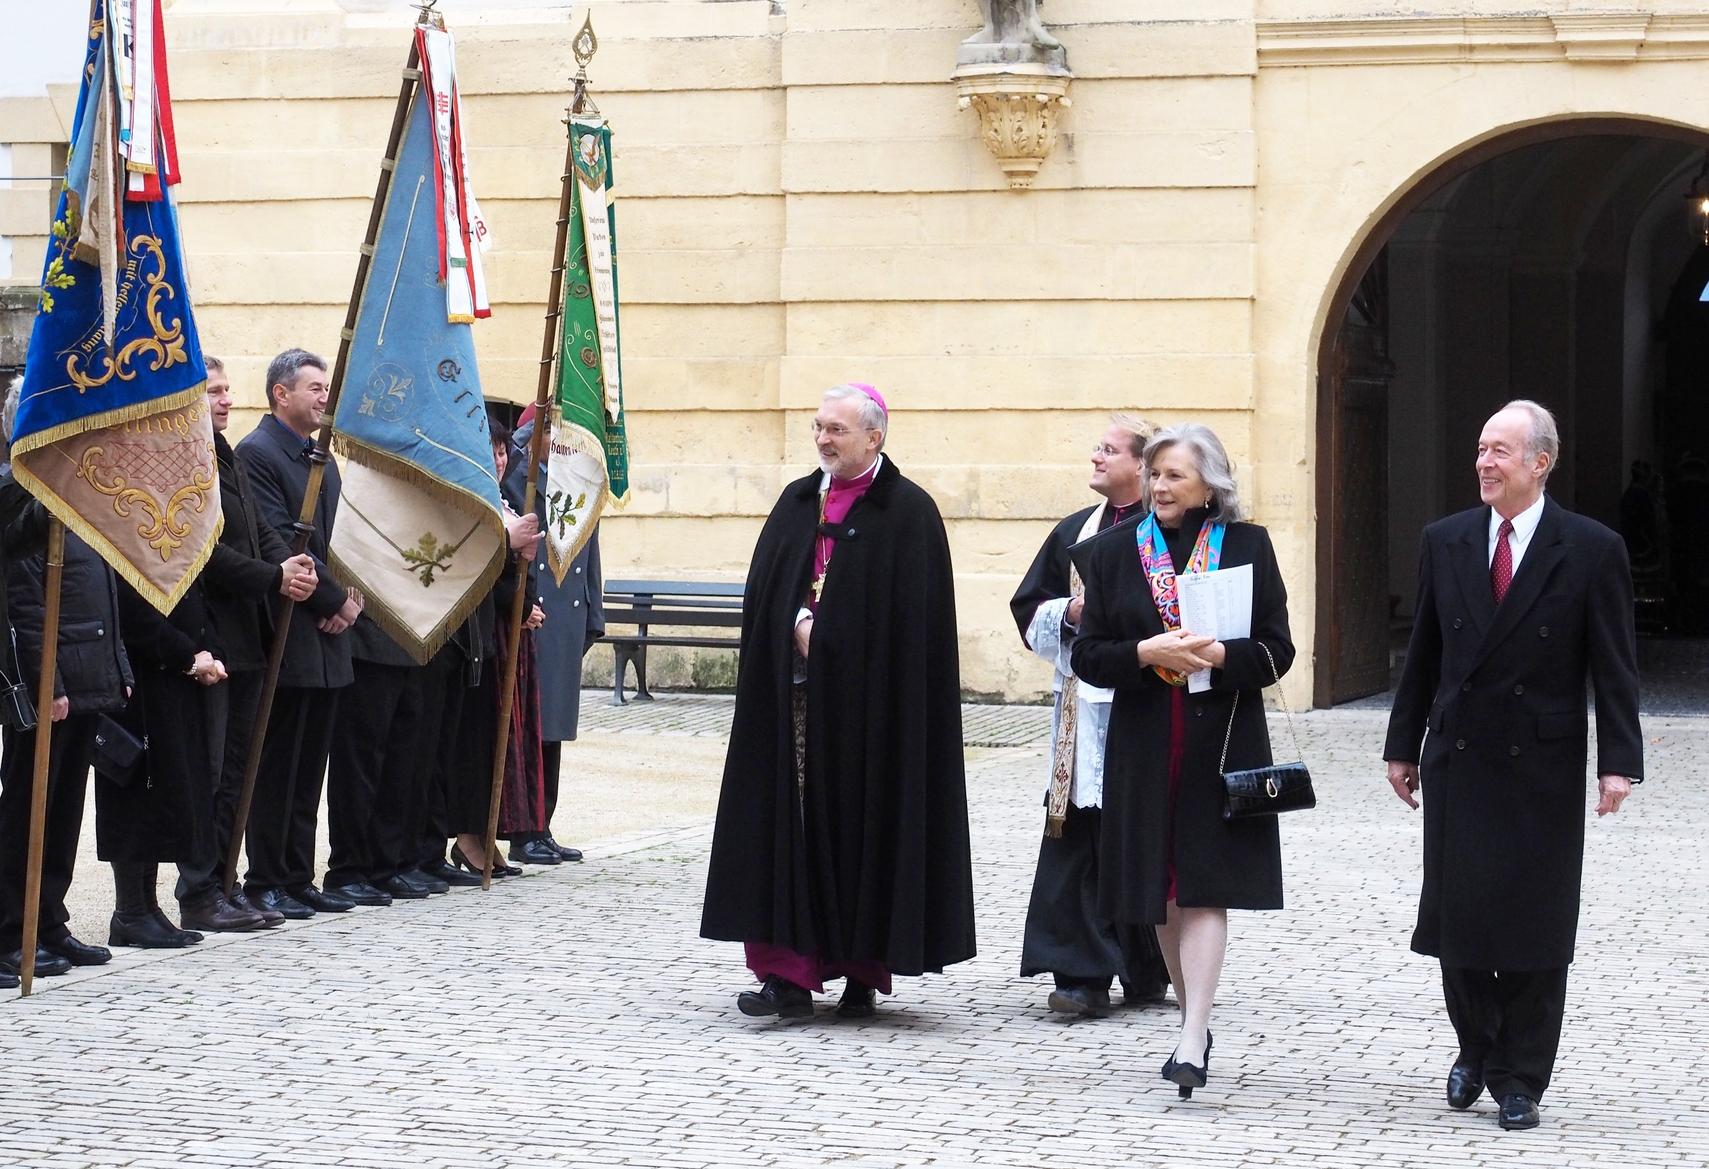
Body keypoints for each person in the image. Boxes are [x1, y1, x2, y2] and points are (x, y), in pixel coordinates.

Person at [1383, 399, 1642, 1132]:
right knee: (1456, 918)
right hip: (1459, 754)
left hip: (1542, 763)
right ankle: (1477, 1046)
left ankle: (1521, 1074)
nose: (1483, 463)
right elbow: (1424, 655)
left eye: (1499, 450)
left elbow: (1614, 666)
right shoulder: (1446, 539)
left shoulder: (1589, 548)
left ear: (1540, 462)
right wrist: (1401, 744)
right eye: (1479, 448)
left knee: (1534, 922)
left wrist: (1616, 762)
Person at [700, 382, 976, 1019]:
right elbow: (764, 598)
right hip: (790, 704)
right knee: (785, 829)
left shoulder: (908, 513)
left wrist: (836, 638)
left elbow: (915, 627)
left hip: (870, 715)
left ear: (874, 437)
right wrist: (793, 623)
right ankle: (787, 977)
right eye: (819, 427)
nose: (823, 439)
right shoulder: (797, 503)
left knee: (863, 827)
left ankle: (859, 969)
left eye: (837, 430)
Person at [1070, 423, 1294, 1098]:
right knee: (1162, 888)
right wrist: (1145, 653)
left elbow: (1276, 650)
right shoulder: (1110, 553)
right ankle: (1187, 1012)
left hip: (1218, 738)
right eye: (1155, 473)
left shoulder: (1246, 545)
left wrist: (1223, 654)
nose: (1160, 486)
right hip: (1143, 739)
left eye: (1174, 475)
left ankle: (1192, 1029)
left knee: (1204, 883)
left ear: (1209, 484)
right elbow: (1088, 656)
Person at [1010, 414, 1171, 1016]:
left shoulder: (1169, 533)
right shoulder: (1075, 531)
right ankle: (1081, 970)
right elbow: (1030, 606)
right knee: (1075, 832)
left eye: (1109, 450)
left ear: (1141, 465)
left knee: (1137, 832)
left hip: (1144, 700)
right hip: (1081, 706)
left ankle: (1143, 960)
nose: (1096, 458)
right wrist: (1071, 614)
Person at [174, 357, 318, 932]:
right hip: (214, 633)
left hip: (250, 633)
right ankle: (199, 889)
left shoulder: (223, 453)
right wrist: (272, 577)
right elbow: (203, 553)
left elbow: (256, 530)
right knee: (211, 771)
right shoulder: (183, 462)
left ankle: (227, 883)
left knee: (239, 770)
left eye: (228, 390)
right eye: (213, 392)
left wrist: (286, 563)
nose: (226, 400)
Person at [0, 377, 135, 979]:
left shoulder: (79, 492)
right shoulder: (15, 492)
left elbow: (101, 594)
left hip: (86, 674)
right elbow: (29, 604)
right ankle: (12, 930)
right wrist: (47, 684)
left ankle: (47, 922)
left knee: (60, 814)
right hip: (46, 686)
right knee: (25, 813)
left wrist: (118, 669)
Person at [234, 349, 363, 920]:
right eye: (313, 387)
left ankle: (296, 872)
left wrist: (343, 604)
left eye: (325, 386)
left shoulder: (321, 460)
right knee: (278, 759)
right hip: (286, 627)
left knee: (311, 761)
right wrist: (335, 602)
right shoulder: (257, 454)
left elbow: (332, 542)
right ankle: (265, 876)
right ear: (280, 393)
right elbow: (283, 541)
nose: (323, 396)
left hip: (326, 632)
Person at [503, 416, 603, 866]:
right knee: (528, 725)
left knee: (553, 729)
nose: (564, 442)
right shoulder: (518, 476)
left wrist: (593, 616)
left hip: (565, 615)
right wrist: (533, 423)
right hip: (534, 613)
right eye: (554, 432)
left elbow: (590, 550)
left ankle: (543, 824)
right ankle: (524, 829)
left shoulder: (576, 479)